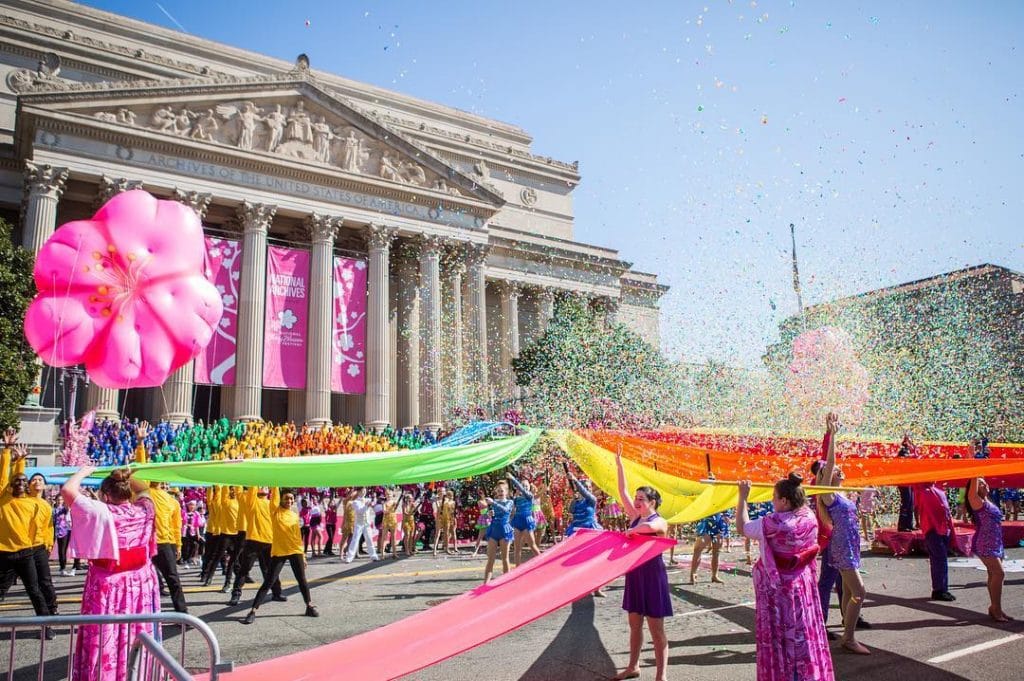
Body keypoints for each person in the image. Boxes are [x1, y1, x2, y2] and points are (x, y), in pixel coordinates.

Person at [63, 463, 159, 681]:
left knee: (105, 631)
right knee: (137, 629)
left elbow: (68, 490)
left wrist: (84, 471)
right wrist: (129, 474)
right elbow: (144, 490)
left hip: (108, 583)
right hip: (139, 581)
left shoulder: (101, 511)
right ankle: (138, 673)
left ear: (106, 495)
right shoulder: (145, 509)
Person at [738, 474, 834, 681]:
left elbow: (742, 527)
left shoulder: (775, 523)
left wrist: (742, 497)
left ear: (785, 501)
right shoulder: (809, 516)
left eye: (774, 497)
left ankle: (785, 675)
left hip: (780, 588)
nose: (772, 501)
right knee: (804, 630)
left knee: (781, 635)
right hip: (803, 583)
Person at [611, 450, 671, 681]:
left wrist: (633, 530)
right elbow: (621, 491)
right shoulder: (635, 517)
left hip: (653, 577)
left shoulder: (657, 520)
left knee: (656, 629)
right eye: (635, 499)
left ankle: (661, 676)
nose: (635, 502)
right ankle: (633, 666)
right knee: (634, 624)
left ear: (652, 502)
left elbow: (655, 527)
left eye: (641, 499)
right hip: (635, 575)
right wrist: (619, 464)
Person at [815, 412, 870, 655]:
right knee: (860, 592)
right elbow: (830, 462)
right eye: (835, 470)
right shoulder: (828, 495)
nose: (839, 471)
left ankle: (849, 631)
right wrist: (832, 436)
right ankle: (848, 637)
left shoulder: (843, 493)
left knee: (849, 592)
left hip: (851, 545)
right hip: (841, 547)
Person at [242, 488, 319, 624]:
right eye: (286, 498)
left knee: (302, 580)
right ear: (280, 499)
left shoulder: (294, 515)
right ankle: (253, 611)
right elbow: (275, 495)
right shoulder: (274, 511)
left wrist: (303, 556)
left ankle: (309, 606)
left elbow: (297, 537)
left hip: (295, 551)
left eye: (291, 498)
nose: (289, 501)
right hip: (279, 552)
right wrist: (275, 480)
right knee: (269, 582)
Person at [0, 436, 51, 629]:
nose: (21, 483)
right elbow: (7, 477)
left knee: (34, 590)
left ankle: (47, 626)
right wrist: (9, 451)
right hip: (4, 553)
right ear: (11, 486)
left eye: (24, 481)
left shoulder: (32, 502)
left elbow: (47, 527)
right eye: (17, 482)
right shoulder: (3, 498)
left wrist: (47, 544)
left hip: (25, 553)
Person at [964, 477, 1011, 621]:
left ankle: (996, 607)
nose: (984, 484)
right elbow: (973, 477)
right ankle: (996, 609)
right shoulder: (976, 501)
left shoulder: (987, 501)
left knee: (994, 575)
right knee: (999, 573)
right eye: (980, 483)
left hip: (996, 542)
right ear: (974, 488)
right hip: (984, 543)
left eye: (984, 481)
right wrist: (972, 459)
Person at [229, 487, 284, 607]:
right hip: (253, 541)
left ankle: (277, 593)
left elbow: (276, 494)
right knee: (244, 569)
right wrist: (256, 477)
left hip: (269, 541)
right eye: (260, 486)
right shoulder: (251, 501)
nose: (262, 487)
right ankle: (236, 594)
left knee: (271, 570)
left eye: (264, 486)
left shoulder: (271, 504)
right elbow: (252, 488)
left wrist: (274, 482)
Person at [914, 481, 955, 601]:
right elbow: (917, 507)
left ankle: (942, 588)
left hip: (943, 528)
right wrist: (918, 521)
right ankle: (939, 590)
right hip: (932, 529)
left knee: (941, 560)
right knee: (939, 559)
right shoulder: (921, 490)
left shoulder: (938, 489)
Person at [25, 471, 58, 616]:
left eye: (40, 480)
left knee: (45, 581)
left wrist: (49, 544)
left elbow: (49, 528)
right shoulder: (24, 501)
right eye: (34, 480)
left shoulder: (46, 505)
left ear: (44, 486)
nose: (37, 482)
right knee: (33, 585)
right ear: (28, 485)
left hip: (40, 548)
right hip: (23, 548)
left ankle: (52, 609)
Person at [482, 481, 514, 584]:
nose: (500, 492)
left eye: (502, 491)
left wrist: (494, 503)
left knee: (505, 558)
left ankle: (506, 582)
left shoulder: (509, 502)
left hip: (504, 530)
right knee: (490, 559)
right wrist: (490, 514)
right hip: (494, 530)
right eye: (498, 490)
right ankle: (485, 584)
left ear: (506, 492)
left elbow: (505, 510)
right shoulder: (494, 501)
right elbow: (492, 514)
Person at [508, 474, 541, 566]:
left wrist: (512, 478)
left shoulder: (530, 496)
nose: (524, 487)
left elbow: (523, 490)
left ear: (529, 487)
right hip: (517, 521)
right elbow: (513, 510)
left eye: (526, 486)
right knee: (517, 548)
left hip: (527, 521)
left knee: (532, 546)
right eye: (523, 486)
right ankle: (517, 568)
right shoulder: (516, 498)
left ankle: (542, 564)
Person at [689, 511, 728, 584]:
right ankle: (693, 574)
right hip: (705, 523)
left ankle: (715, 576)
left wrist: (726, 516)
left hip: (719, 523)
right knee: (698, 549)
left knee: (716, 552)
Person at [344, 488, 379, 563]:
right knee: (355, 540)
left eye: (365, 491)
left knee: (369, 539)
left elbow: (373, 505)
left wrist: (374, 498)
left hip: (367, 523)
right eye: (362, 491)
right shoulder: (355, 502)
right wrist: (367, 505)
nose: (364, 492)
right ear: (359, 492)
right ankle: (349, 557)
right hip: (359, 523)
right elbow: (360, 511)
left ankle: (373, 556)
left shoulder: (367, 500)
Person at [896, 435, 916, 532]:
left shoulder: (911, 452)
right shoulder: (903, 452)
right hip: (903, 482)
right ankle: (902, 525)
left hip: (909, 481)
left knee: (911, 503)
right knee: (906, 502)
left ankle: (909, 524)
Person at [377, 489, 400, 559]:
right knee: (384, 537)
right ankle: (382, 554)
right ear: (385, 495)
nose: (388, 495)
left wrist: (395, 505)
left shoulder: (394, 502)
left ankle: (394, 553)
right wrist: (390, 508)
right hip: (386, 521)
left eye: (390, 494)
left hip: (393, 520)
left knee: (393, 537)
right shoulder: (384, 503)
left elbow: (396, 509)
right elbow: (384, 511)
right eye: (387, 494)